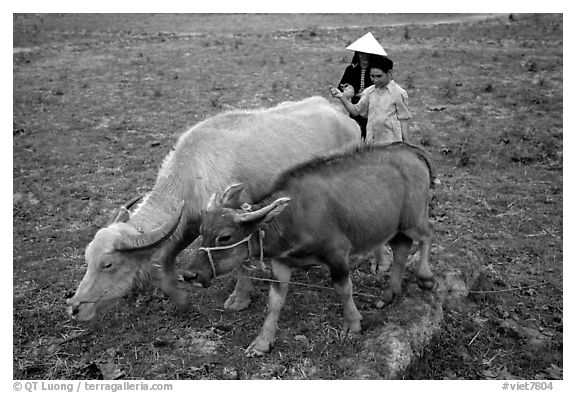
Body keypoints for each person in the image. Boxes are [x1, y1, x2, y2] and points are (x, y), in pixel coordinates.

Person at [330, 54, 411, 145]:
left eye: (379, 76)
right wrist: (341, 96)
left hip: (391, 143)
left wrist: (406, 142)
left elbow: (404, 118)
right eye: (372, 76)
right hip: (372, 143)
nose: (375, 80)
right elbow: (356, 111)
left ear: (389, 73)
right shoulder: (369, 92)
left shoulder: (398, 93)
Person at [336, 32, 388, 140]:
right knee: (356, 135)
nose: (364, 56)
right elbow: (342, 86)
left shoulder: (377, 71)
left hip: (374, 107)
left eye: (366, 53)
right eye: (361, 53)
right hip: (355, 108)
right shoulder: (351, 69)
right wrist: (347, 90)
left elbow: (384, 86)